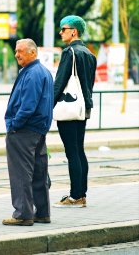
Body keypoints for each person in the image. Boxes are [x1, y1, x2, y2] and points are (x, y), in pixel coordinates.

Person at [2, 38, 54, 226]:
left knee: (21, 173)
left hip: (24, 130)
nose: (17, 54)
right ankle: (42, 212)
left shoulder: (31, 74)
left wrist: (14, 124)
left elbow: (27, 106)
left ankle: (23, 214)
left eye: (21, 51)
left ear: (33, 52)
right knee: (39, 171)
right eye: (16, 51)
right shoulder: (44, 72)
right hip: (39, 130)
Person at [53, 15, 97, 208]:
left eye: (64, 28)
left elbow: (59, 84)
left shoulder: (69, 52)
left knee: (72, 152)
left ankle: (75, 196)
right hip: (83, 107)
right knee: (79, 150)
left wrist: (47, 106)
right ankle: (82, 194)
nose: (60, 32)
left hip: (68, 108)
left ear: (74, 31)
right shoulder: (89, 54)